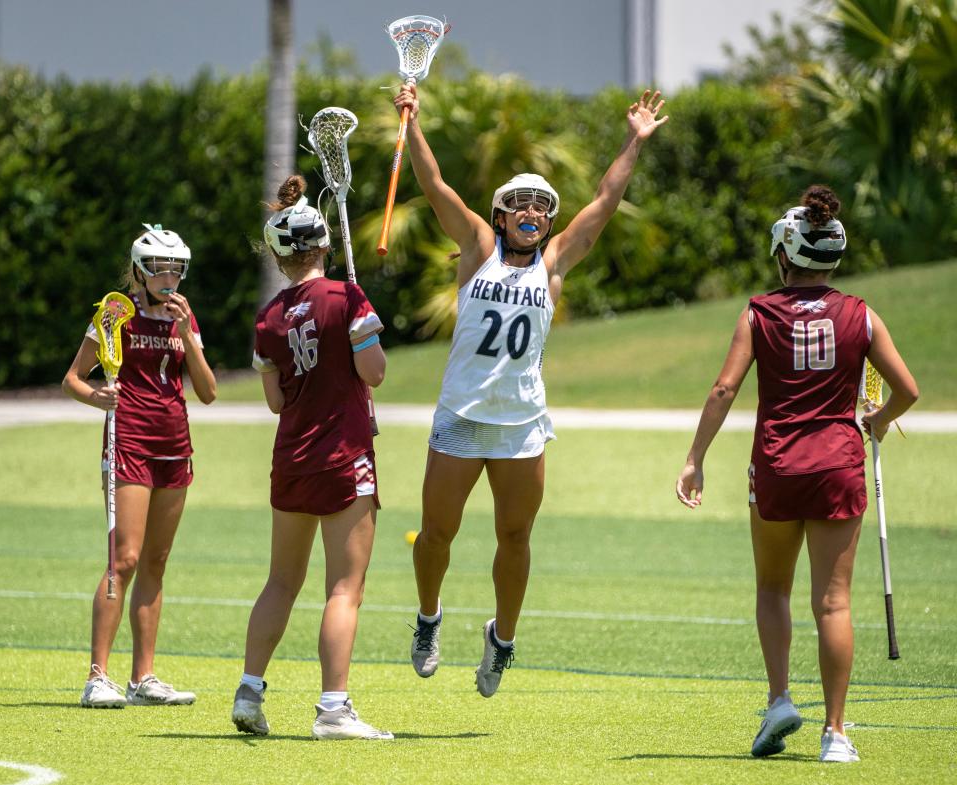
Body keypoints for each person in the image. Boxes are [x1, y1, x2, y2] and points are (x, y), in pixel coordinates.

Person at [394, 82, 669, 697]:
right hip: (462, 414)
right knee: (436, 534)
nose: (531, 211)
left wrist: (634, 139)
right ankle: (428, 617)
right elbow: (436, 188)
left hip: (520, 421)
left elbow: (605, 198)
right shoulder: (477, 249)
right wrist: (412, 125)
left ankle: (503, 640)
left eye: (541, 205)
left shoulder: (554, 264)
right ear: (500, 214)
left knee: (514, 536)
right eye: (519, 202)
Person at [675, 186, 919, 762]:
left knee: (772, 589)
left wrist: (695, 458)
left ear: (784, 255)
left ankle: (780, 699)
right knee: (833, 604)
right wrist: (877, 420)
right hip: (839, 465)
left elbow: (723, 389)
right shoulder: (861, 313)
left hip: (778, 467)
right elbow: (908, 390)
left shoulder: (759, 312)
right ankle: (836, 734)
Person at [230, 175, 391, 741]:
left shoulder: (269, 316)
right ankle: (333, 709)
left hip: (291, 460)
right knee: (344, 588)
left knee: (281, 582)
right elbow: (374, 374)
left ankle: (250, 690)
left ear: (279, 256)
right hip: (344, 456)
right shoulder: (348, 298)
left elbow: (276, 401)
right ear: (323, 244)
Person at [62, 223, 217, 708]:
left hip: (175, 446)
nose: (169, 277)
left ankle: (143, 678)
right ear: (140, 270)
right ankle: (97, 677)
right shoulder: (115, 314)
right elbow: (72, 378)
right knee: (123, 559)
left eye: (176, 268)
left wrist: (188, 333)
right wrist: (97, 397)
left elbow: (209, 392)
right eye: (160, 268)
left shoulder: (183, 320)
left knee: (156, 562)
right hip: (127, 443)